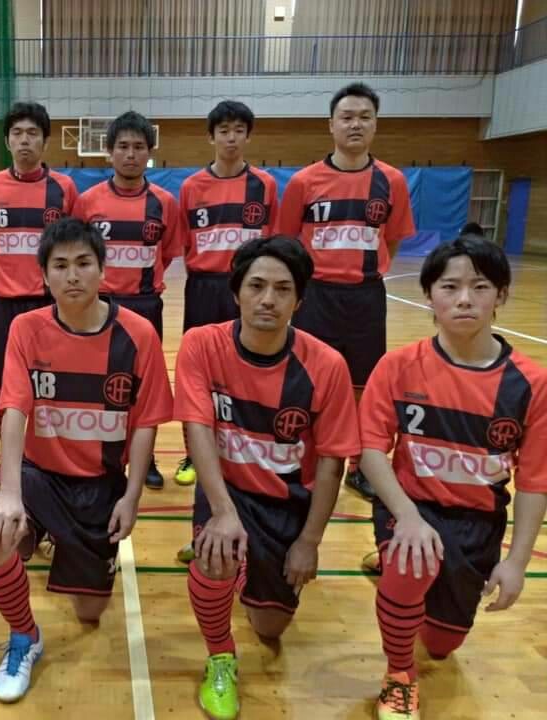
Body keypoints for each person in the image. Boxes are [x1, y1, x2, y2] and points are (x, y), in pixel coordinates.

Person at [0, 217, 172, 703]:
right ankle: (25, 636)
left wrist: (132, 496)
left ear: (103, 269)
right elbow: (14, 408)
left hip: (99, 482)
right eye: (60, 265)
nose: (72, 275)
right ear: (44, 276)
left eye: (84, 263)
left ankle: (62, 543)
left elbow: (146, 422)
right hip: (38, 475)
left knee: (89, 613)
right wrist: (9, 492)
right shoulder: (26, 328)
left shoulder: (139, 334)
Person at [359, 235, 547, 720]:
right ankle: (399, 675)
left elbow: (534, 481)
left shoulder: (531, 385)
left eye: (480, 287)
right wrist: (406, 517)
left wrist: (517, 562)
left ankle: (410, 581)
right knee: (411, 562)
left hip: (476, 521)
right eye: (450, 287)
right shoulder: (398, 366)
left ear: (501, 295)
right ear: (429, 296)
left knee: (442, 643)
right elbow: (371, 450)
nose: (464, 299)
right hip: (412, 507)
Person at [175, 236, 360, 720]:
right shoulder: (202, 344)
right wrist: (221, 512)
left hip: (287, 502)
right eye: (256, 286)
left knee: (270, 627)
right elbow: (197, 429)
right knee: (215, 558)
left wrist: (309, 542)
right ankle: (220, 656)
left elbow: (332, 462)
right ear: (236, 292)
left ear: (299, 300)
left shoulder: (327, 366)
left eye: (282, 289)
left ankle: (246, 565)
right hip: (228, 490)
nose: (268, 299)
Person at [278, 82, 415, 501]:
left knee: (363, 387)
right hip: (315, 296)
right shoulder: (304, 182)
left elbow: (391, 240)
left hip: (365, 298)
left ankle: (359, 467)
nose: (356, 124)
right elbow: (286, 241)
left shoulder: (392, 181)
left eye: (364, 117)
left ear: (375, 124)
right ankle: (301, 458)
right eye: (347, 117)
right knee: (308, 381)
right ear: (331, 125)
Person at [73, 110, 185, 489]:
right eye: (123, 146)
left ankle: (144, 458)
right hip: (98, 306)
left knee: (141, 387)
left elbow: (167, 252)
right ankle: (98, 454)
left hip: (145, 305)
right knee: (96, 383)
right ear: (109, 151)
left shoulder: (165, 203)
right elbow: (79, 254)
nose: (131, 154)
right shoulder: (87, 201)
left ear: (149, 153)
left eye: (139, 147)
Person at [174, 99, 278, 488]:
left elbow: (272, 241)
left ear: (248, 136)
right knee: (200, 371)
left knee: (246, 369)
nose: (231, 138)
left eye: (238, 130)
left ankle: (242, 448)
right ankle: (193, 452)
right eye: (223, 131)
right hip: (204, 287)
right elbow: (185, 244)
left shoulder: (264, 186)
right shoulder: (191, 187)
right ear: (211, 137)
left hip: (248, 287)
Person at [0, 102, 78, 463]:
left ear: (45, 142)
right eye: (17, 133)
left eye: (33, 133)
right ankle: (12, 458)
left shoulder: (64, 188)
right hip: (5, 305)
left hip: (51, 306)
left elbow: (73, 245)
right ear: (7, 141)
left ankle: (49, 458)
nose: (24, 140)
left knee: (53, 387)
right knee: (2, 388)